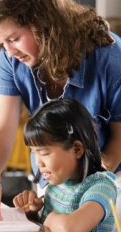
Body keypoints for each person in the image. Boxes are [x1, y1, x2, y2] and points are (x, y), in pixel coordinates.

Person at [0, 0, 121, 224]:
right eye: (1, 43)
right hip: (56, 180)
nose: (9, 52)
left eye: (14, 39)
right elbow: (1, 128)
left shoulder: (111, 57)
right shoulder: (11, 59)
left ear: (43, 25)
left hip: (107, 180)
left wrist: (88, 184)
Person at [13, 98, 121, 232]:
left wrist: (51, 218)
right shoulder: (56, 186)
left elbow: (70, 228)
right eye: (34, 152)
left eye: (44, 153)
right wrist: (32, 213)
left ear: (76, 150)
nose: (37, 162)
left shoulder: (102, 188)